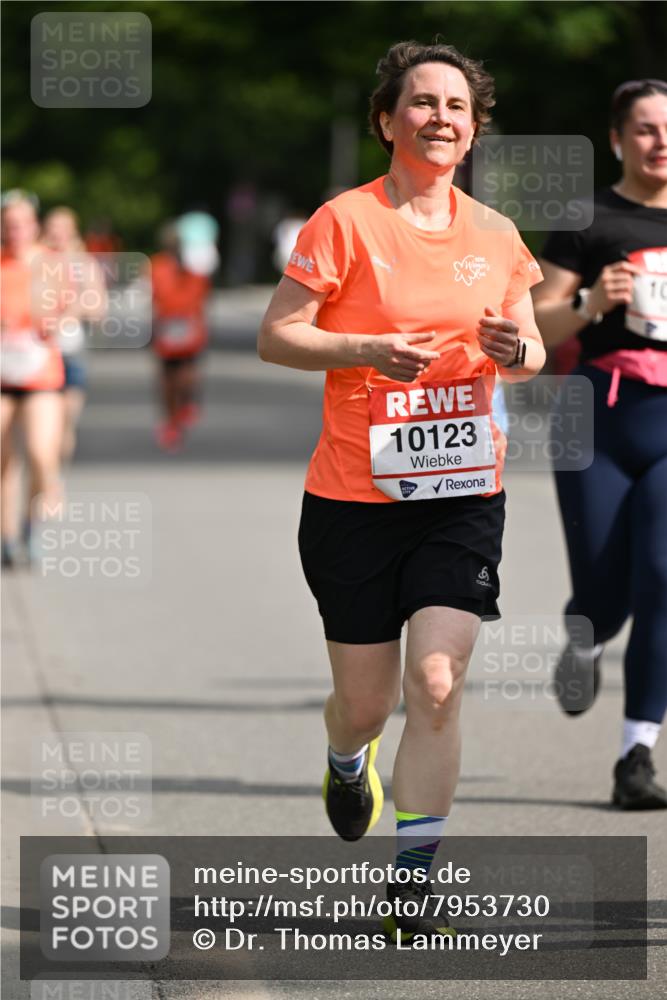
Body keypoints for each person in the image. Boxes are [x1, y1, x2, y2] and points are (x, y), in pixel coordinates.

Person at [259, 40, 545, 941]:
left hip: (461, 493)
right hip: (354, 498)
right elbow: (277, 334)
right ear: (387, 122)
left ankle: (412, 881)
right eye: (421, 103)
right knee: (367, 703)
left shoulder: (494, 234)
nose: (439, 118)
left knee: (436, 681)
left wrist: (515, 350)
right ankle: (347, 757)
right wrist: (365, 350)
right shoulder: (343, 221)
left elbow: (530, 351)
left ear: (474, 128)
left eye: (456, 106)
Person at [533, 79, 667, 809]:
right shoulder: (587, 219)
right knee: (603, 587)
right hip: (597, 418)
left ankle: (635, 755)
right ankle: (585, 638)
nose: (660, 141)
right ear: (618, 140)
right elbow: (536, 324)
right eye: (645, 129)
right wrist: (589, 302)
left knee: (662, 575)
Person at [1, 192, 64, 565]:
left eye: (21, 225)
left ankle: (31, 522)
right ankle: (7, 538)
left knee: (42, 451)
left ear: (34, 226)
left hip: (41, 373)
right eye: (9, 225)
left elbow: (74, 305)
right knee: (4, 460)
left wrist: (55, 320)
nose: (15, 232)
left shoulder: (50, 263)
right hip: (3, 373)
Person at [41, 206, 107, 462]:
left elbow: (99, 309)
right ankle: (43, 467)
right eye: (52, 227)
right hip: (41, 351)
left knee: (65, 419)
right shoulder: (34, 260)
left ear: (73, 231)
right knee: (45, 419)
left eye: (62, 227)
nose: (56, 233)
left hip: (73, 350)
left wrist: (74, 310)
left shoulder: (85, 264)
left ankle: (55, 472)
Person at [150, 220, 213, 451]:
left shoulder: (184, 267)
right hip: (174, 323)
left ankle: (178, 413)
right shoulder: (161, 267)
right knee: (176, 373)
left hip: (180, 323)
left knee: (179, 374)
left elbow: (200, 295)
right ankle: (175, 416)